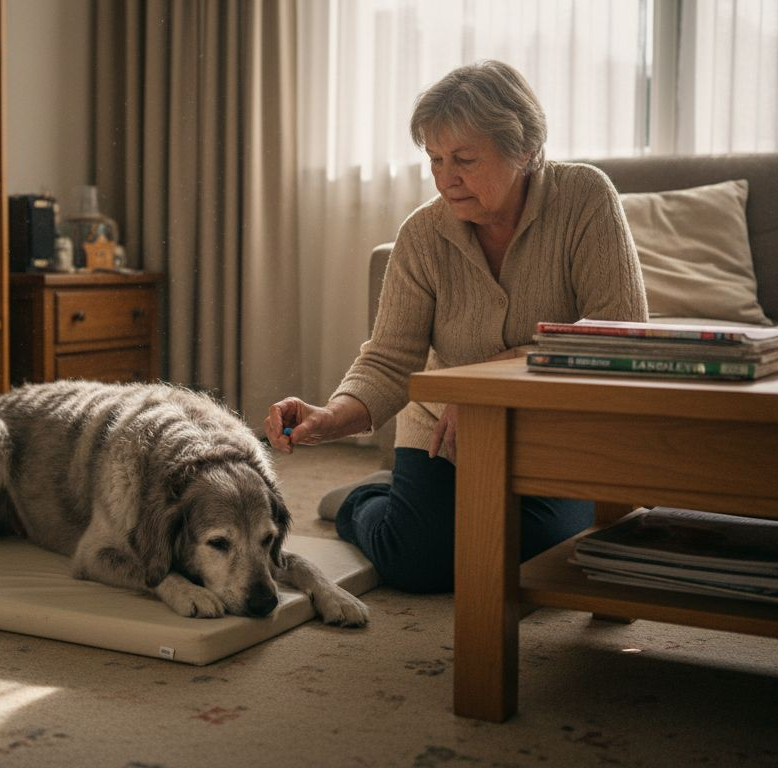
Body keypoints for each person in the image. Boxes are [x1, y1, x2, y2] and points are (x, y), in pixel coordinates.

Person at [264, 60, 648, 593]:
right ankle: (366, 500)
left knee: (554, 549)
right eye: (436, 159)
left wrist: (487, 384)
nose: (447, 177)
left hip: (556, 428)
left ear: (526, 150)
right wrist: (328, 418)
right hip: (446, 427)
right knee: (415, 563)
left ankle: (405, 500)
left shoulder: (584, 197)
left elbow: (619, 331)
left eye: (465, 159)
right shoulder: (422, 236)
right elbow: (390, 358)